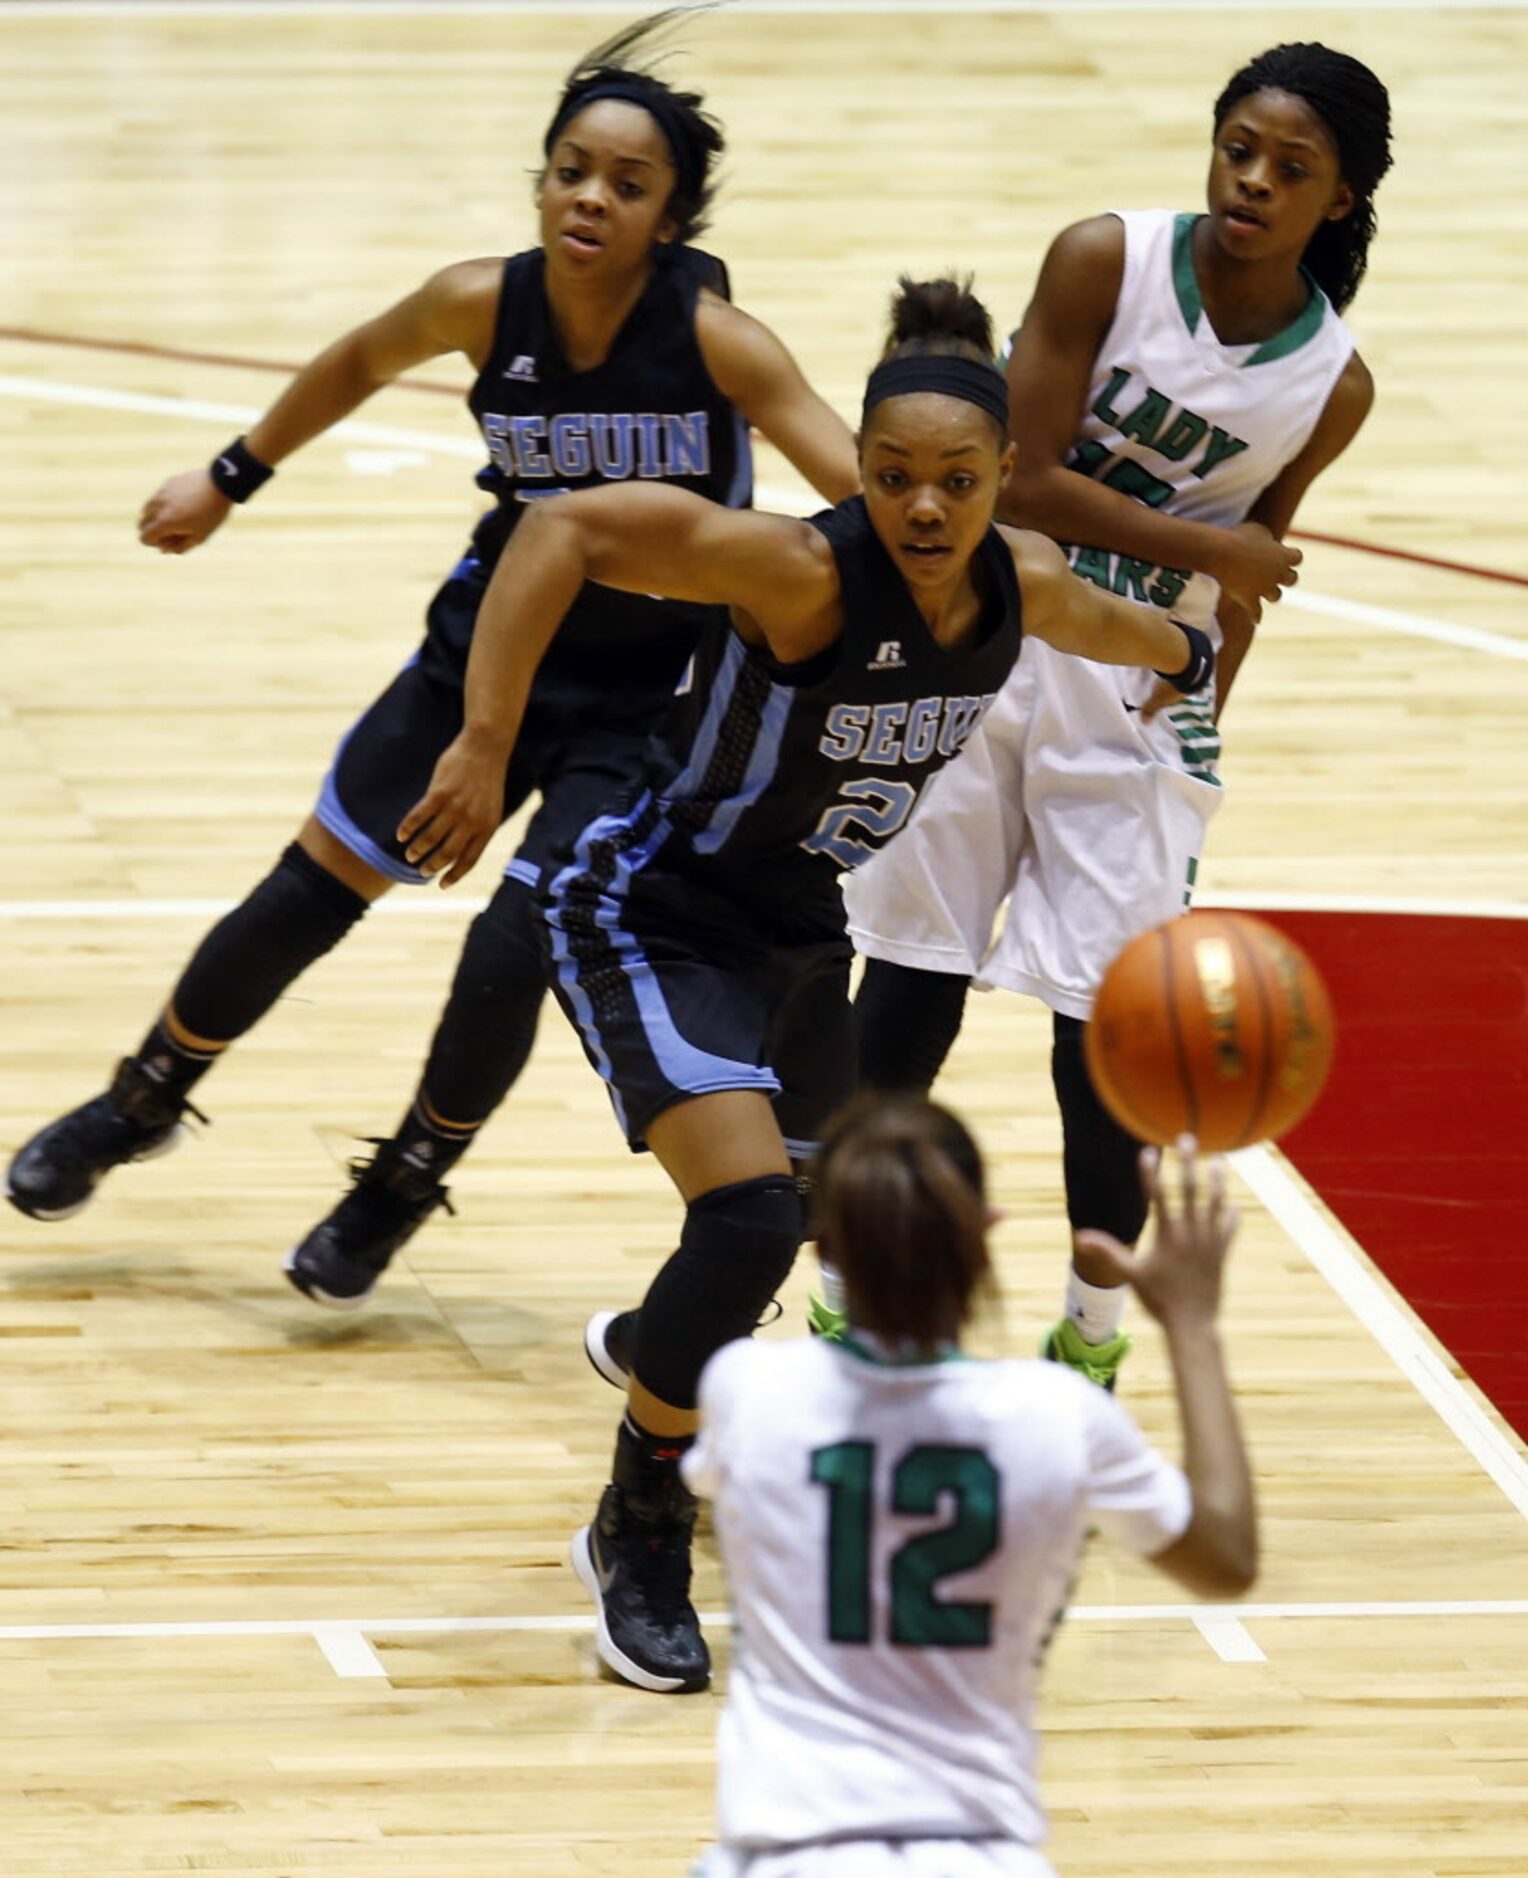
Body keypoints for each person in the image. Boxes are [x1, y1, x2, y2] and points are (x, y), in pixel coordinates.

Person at [397, 272, 1217, 1693]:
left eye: (954, 482)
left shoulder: (1016, 581)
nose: (919, 508)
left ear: (1001, 480)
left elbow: (1094, 614)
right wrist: (482, 739)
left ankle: (658, 1344)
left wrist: (1189, 648)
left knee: (834, 1212)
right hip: (653, 908)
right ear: (861, 468)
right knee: (753, 1219)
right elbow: (563, 523)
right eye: (892, 476)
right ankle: (639, 1516)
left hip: (792, 922)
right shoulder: (801, 571)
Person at [4, 13, 861, 1304]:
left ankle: (403, 1179)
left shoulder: (717, 339)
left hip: (650, 697)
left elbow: (853, 487)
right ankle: (141, 1097)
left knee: (517, 940)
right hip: (492, 653)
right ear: (543, 180)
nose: (591, 196)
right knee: (314, 883)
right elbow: (356, 357)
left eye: (628, 185)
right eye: (573, 168)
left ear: (670, 224)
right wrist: (230, 474)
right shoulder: (484, 298)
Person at [843, 42, 1392, 1388]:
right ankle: (847, 1303)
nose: (1251, 181)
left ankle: (1089, 1340)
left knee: (1112, 1027)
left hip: (1141, 684)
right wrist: (1210, 554)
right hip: (991, 636)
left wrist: (1199, 703)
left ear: (1344, 198)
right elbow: (1018, 481)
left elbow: (1252, 573)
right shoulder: (1107, 257)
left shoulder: (1334, 383)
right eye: (1239, 149)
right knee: (907, 979)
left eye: (1291, 169)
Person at [686, 1098, 1254, 1878]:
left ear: (829, 1246)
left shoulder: (747, 1389)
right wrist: (1192, 1324)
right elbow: (1226, 1558)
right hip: (982, 1857)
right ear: (985, 1230)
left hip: (784, 1853)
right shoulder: (1058, 1415)